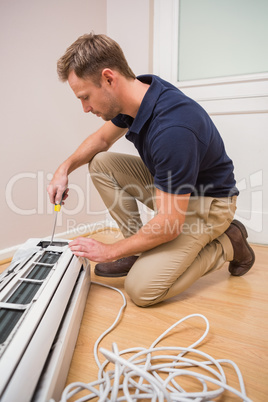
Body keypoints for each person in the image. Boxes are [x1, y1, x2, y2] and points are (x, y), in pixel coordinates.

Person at [47, 33, 255, 307]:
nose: (85, 108)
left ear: (109, 78)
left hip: (208, 204)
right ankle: (136, 248)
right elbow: (101, 140)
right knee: (101, 163)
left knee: (142, 290)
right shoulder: (139, 94)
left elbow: (170, 224)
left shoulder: (173, 130)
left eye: (85, 97)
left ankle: (228, 241)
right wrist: (64, 169)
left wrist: (109, 251)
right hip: (174, 190)